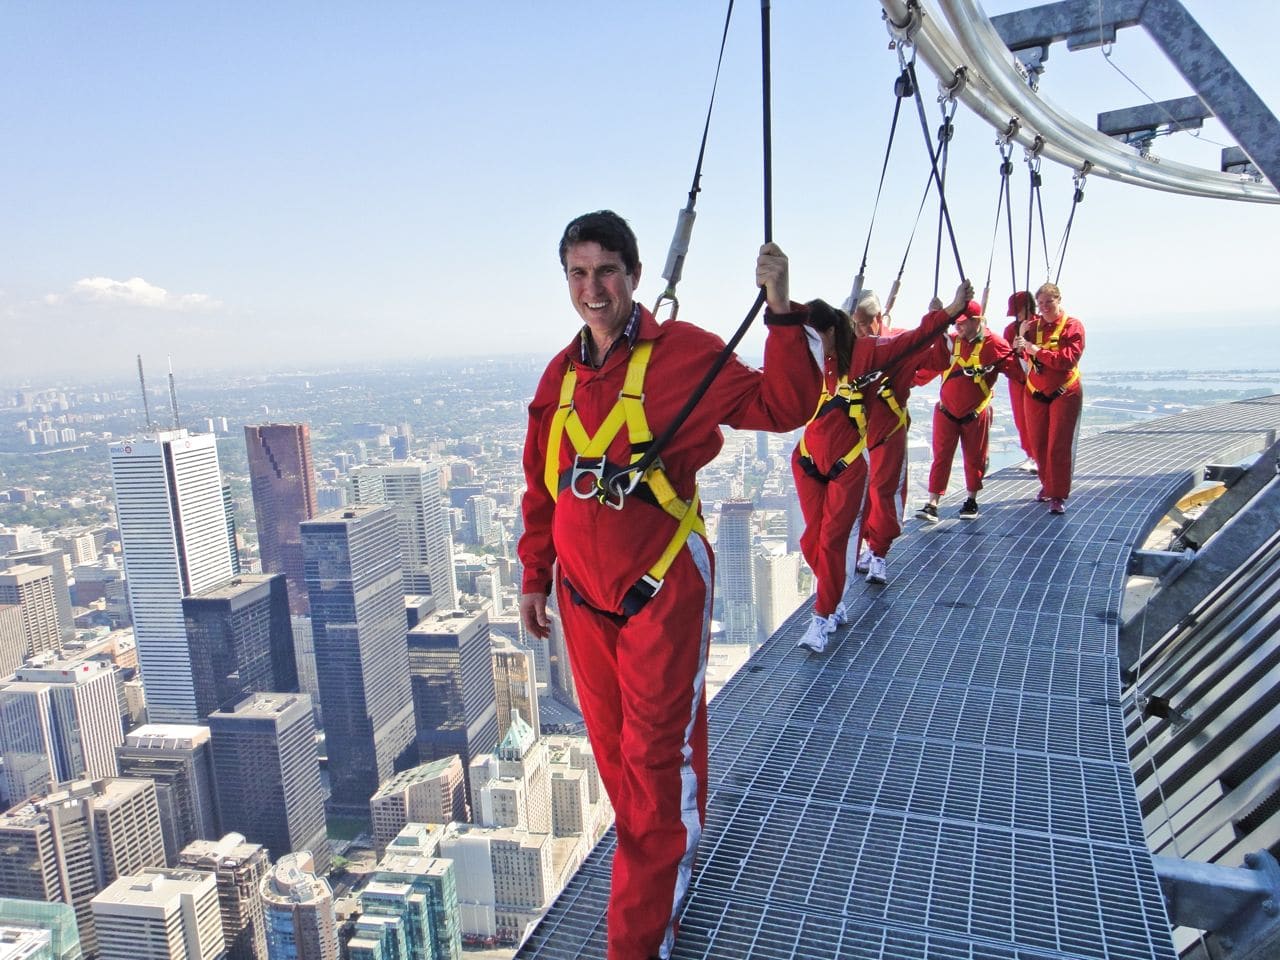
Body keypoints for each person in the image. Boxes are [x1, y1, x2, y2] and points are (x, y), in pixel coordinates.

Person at [518, 210, 821, 960]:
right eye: (578, 273)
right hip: (583, 601)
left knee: (655, 763)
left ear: (634, 274)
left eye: (606, 271)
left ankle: (641, 932)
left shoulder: (684, 354)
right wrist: (535, 575)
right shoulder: (559, 379)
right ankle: (662, 848)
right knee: (619, 759)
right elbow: (543, 486)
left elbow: (784, 405)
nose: (592, 288)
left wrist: (781, 309)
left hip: (661, 589)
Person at [792, 279, 974, 654]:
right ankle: (834, 596)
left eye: (812, 336)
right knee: (812, 540)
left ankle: (824, 614)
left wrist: (948, 314)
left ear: (831, 331)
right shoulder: (811, 358)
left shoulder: (872, 352)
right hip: (808, 459)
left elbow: (918, 344)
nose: (806, 345)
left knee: (840, 534)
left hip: (855, 456)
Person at [854, 292, 934, 585]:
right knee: (862, 495)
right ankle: (869, 547)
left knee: (884, 493)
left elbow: (931, 364)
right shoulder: (856, 346)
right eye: (856, 325)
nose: (861, 330)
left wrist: (936, 323)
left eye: (866, 323)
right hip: (861, 434)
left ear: (878, 317)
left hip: (888, 431)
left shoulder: (899, 342)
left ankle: (879, 553)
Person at [914, 302, 1014, 520]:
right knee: (941, 457)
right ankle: (932, 503)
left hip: (975, 413)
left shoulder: (994, 344)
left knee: (974, 457)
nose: (957, 327)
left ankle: (971, 500)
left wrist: (1025, 350)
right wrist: (936, 316)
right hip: (946, 411)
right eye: (955, 323)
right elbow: (930, 365)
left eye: (962, 323)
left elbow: (1016, 370)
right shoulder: (951, 342)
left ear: (976, 321)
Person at [1011, 281, 1085, 514]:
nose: (1044, 306)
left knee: (1058, 444)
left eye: (1049, 302)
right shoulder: (1033, 326)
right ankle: (1047, 485)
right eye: (1040, 303)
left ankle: (1057, 494)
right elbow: (1020, 353)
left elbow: (1067, 360)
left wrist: (1036, 350)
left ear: (1058, 300)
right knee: (1039, 443)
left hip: (1064, 391)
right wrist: (1020, 339)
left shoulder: (1072, 326)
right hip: (1035, 391)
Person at [1003, 290, 1037, 472]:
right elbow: (1007, 355)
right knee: (1022, 419)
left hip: (1038, 378)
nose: (1016, 316)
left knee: (1038, 418)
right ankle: (1031, 455)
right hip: (1018, 379)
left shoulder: (1040, 325)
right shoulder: (1011, 330)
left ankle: (1039, 455)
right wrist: (1016, 345)